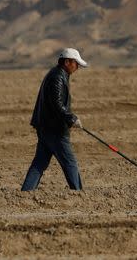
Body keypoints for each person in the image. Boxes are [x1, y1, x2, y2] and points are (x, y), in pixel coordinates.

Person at [21, 48, 87, 191]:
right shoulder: (57, 77)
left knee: (39, 163)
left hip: (46, 127)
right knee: (70, 162)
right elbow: (56, 103)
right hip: (55, 129)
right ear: (67, 62)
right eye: (76, 64)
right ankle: (79, 193)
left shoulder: (58, 74)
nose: (77, 68)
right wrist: (71, 118)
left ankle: (26, 192)